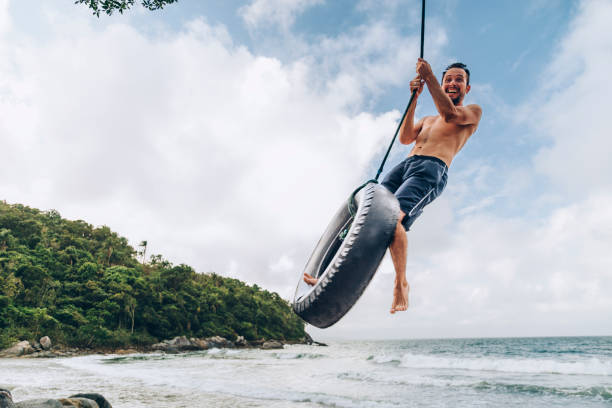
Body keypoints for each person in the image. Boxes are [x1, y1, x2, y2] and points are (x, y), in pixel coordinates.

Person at [304, 58, 482, 314]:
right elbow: (405, 137)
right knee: (363, 221)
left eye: (459, 80)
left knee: (392, 221)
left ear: (467, 88)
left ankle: (401, 283)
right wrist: (414, 99)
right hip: (405, 166)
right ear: (443, 85)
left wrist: (429, 76)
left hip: (431, 169)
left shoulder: (472, 112)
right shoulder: (429, 119)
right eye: (448, 80)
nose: (453, 83)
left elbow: (450, 114)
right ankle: (326, 274)